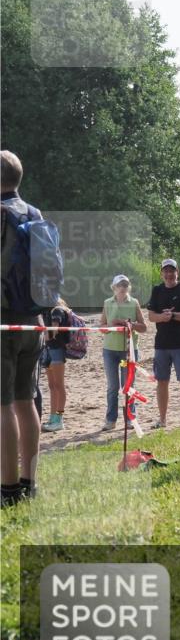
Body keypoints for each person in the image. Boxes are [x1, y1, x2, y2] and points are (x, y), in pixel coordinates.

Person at [1, 150, 44, 505]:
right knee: (26, 402)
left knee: (3, 407)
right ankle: (29, 484)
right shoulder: (34, 213)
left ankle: (8, 489)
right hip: (33, 320)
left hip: (3, 320)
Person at [146, 258, 180, 429]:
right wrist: (163, 317)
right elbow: (151, 316)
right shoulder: (157, 290)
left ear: (177, 272)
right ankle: (162, 420)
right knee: (162, 382)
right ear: (162, 273)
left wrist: (173, 315)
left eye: (172, 271)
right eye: (166, 271)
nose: (169, 274)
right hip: (161, 345)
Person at [99, 274, 147, 431]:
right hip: (110, 350)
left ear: (129, 287)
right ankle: (110, 420)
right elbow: (101, 327)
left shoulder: (134, 303)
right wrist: (112, 326)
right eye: (120, 285)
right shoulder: (107, 303)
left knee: (128, 385)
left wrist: (129, 325)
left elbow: (144, 327)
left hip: (129, 351)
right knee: (112, 387)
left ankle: (130, 418)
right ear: (114, 287)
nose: (123, 287)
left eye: (125, 285)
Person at [39, 298, 71, 432]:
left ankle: (59, 419)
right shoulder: (47, 311)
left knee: (58, 385)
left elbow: (53, 331)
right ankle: (53, 418)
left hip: (56, 350)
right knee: (52, 386)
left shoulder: (57, 311)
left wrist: (42, 334)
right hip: (49, 350)